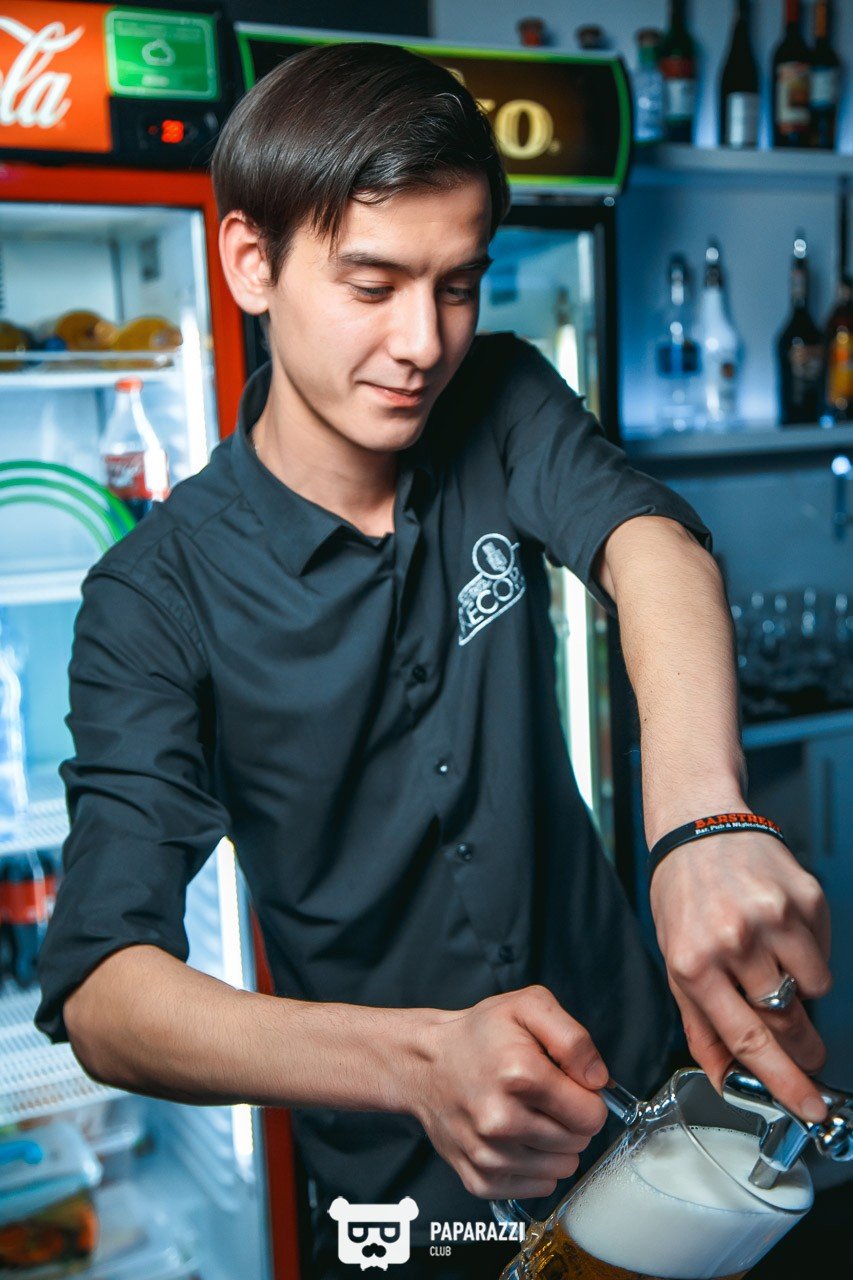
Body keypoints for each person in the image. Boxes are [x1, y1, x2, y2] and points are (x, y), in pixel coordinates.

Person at [37, 41, 832, 1280]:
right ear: (250, 262)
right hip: (410, 1202)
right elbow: (103, 990)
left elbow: (652, 545)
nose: (422, 341)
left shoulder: (498, 396)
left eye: (457, 284)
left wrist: (701, 820)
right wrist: (418, 1059)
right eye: (372, 284)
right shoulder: (152, 597)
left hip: (648, 1098)